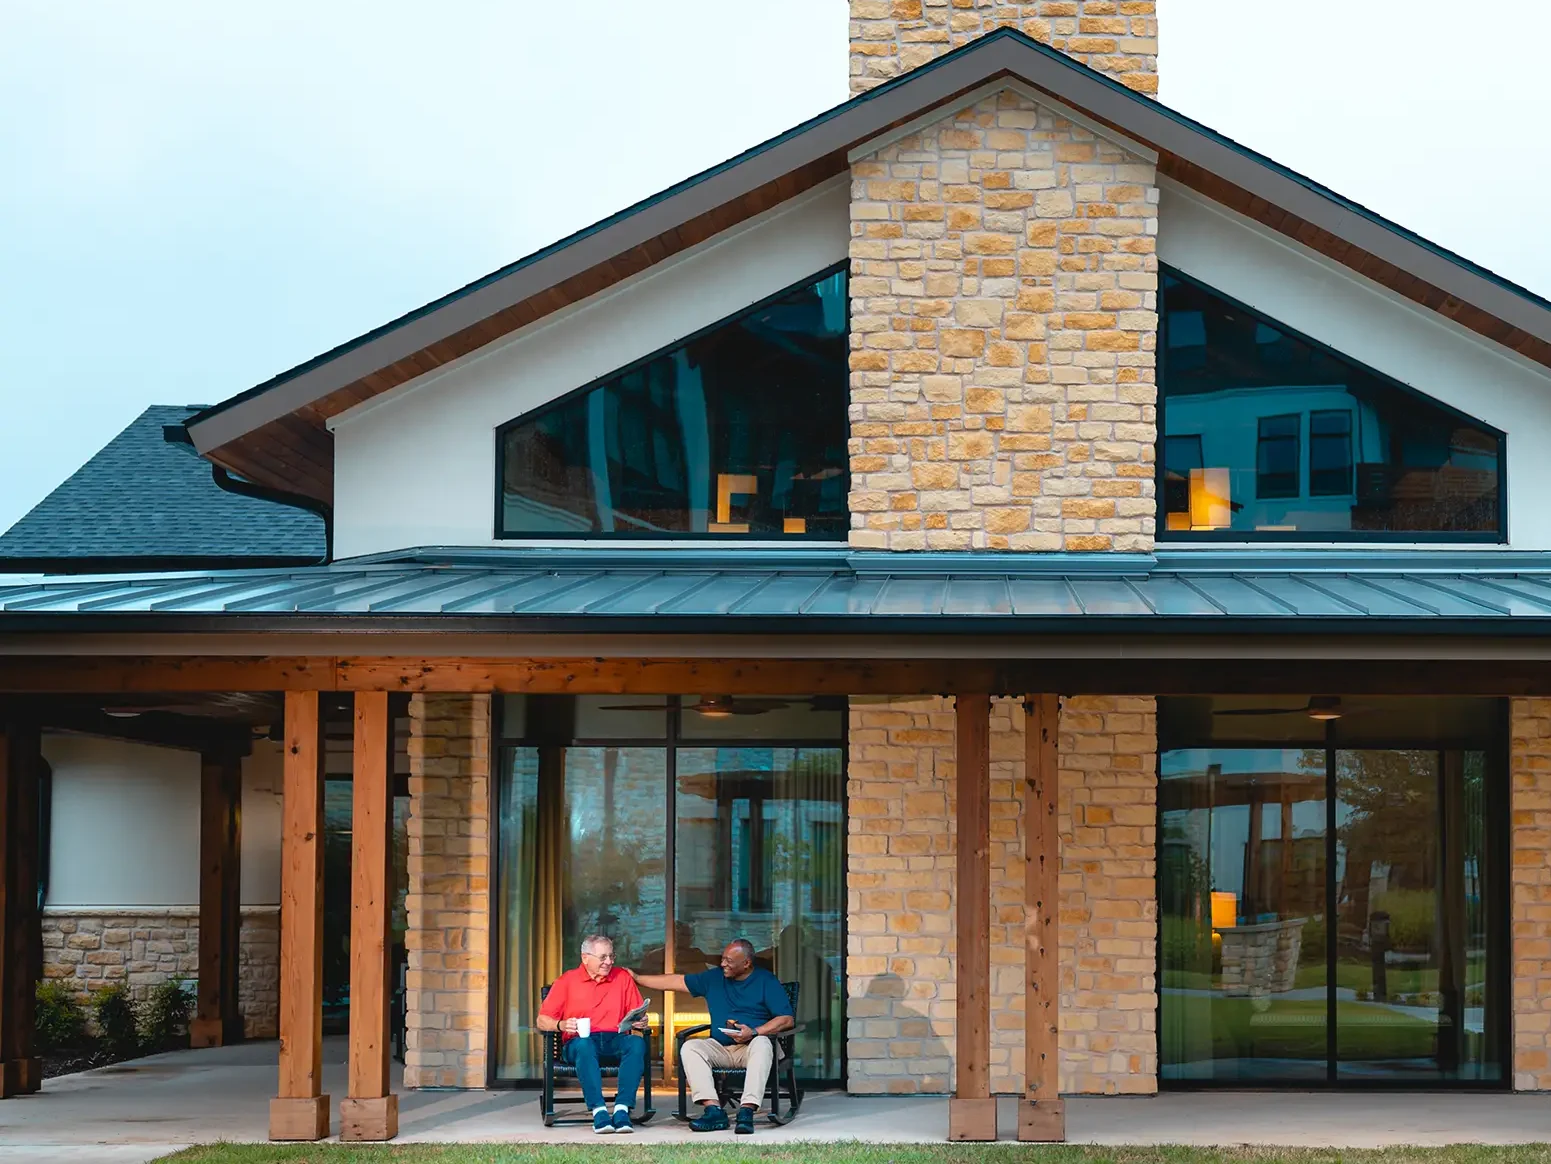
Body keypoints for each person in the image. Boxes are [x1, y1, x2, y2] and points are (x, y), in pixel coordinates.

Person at [629, 938, 794, 1135]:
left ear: (747, 963)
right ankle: (713, 1110)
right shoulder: (714, 978)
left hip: (753, 1048)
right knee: (691, 1047)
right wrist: (638, 978)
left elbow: (786, 1019)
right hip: (721, 1048)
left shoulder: (766, 980)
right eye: (723, 959)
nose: (723, 963)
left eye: (729, 961)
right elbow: (676, 981)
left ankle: (747, 1111)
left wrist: (755, 1031)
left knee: (762, 1043)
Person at [536, 934, 649, 1134]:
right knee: (584, 1045)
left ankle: (622, 1109)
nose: (609, 962)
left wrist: (640, 1021)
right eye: (603, 957)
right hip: (579, 1043)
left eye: (611, 956)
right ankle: (599, 1111)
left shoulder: (622, 977)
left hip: (615, 1039)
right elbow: (542, 1020)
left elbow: (636, 1012)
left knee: (636, 1043)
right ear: (585, 957)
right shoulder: (567, 981)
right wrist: (561, 1025)